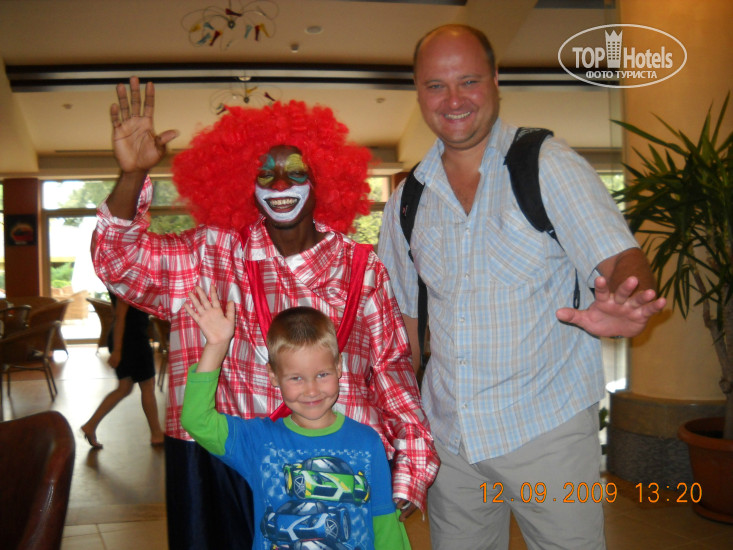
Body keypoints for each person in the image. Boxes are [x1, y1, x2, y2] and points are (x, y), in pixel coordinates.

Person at [92, 77, 438, 549]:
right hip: (227, 465)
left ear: (322, 180)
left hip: (340, 464)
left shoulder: (363, 268)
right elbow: (119, 263)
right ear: (243, 183)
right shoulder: (210, 253)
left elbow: (392, 372)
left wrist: (410, 468)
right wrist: (131, 176)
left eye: (295, 172)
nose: (280, 185)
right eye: (265, 174)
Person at [377, 24, 667, 550]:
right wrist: (401, 415)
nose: (454, 100)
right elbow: (406, 322)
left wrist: (628, 294)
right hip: (450, 438)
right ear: (418, 91)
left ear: (495, 79)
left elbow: (620, 256)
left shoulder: (548, 164)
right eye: (436, 85)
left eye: (468, 81)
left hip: (546, 432)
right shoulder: (407, 199)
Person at [181, 287, 411, 549]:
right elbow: (196, 420)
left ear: (339, 367)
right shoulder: (259, 441)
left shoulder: (367, 442)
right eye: (296, 378)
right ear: (273, 376)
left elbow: (384, 522)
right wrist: (216, 346)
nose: (311, 390)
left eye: (322, 374)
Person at [81, 291, 165, 449]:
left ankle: (90, 425)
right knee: (147, 386)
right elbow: (120, 316)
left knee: (124, 388)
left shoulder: (122, 284)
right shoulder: (127, 285)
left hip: (129, 338)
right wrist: (117, 350)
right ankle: (156, 434)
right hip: (132, 340)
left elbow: (118, 314)